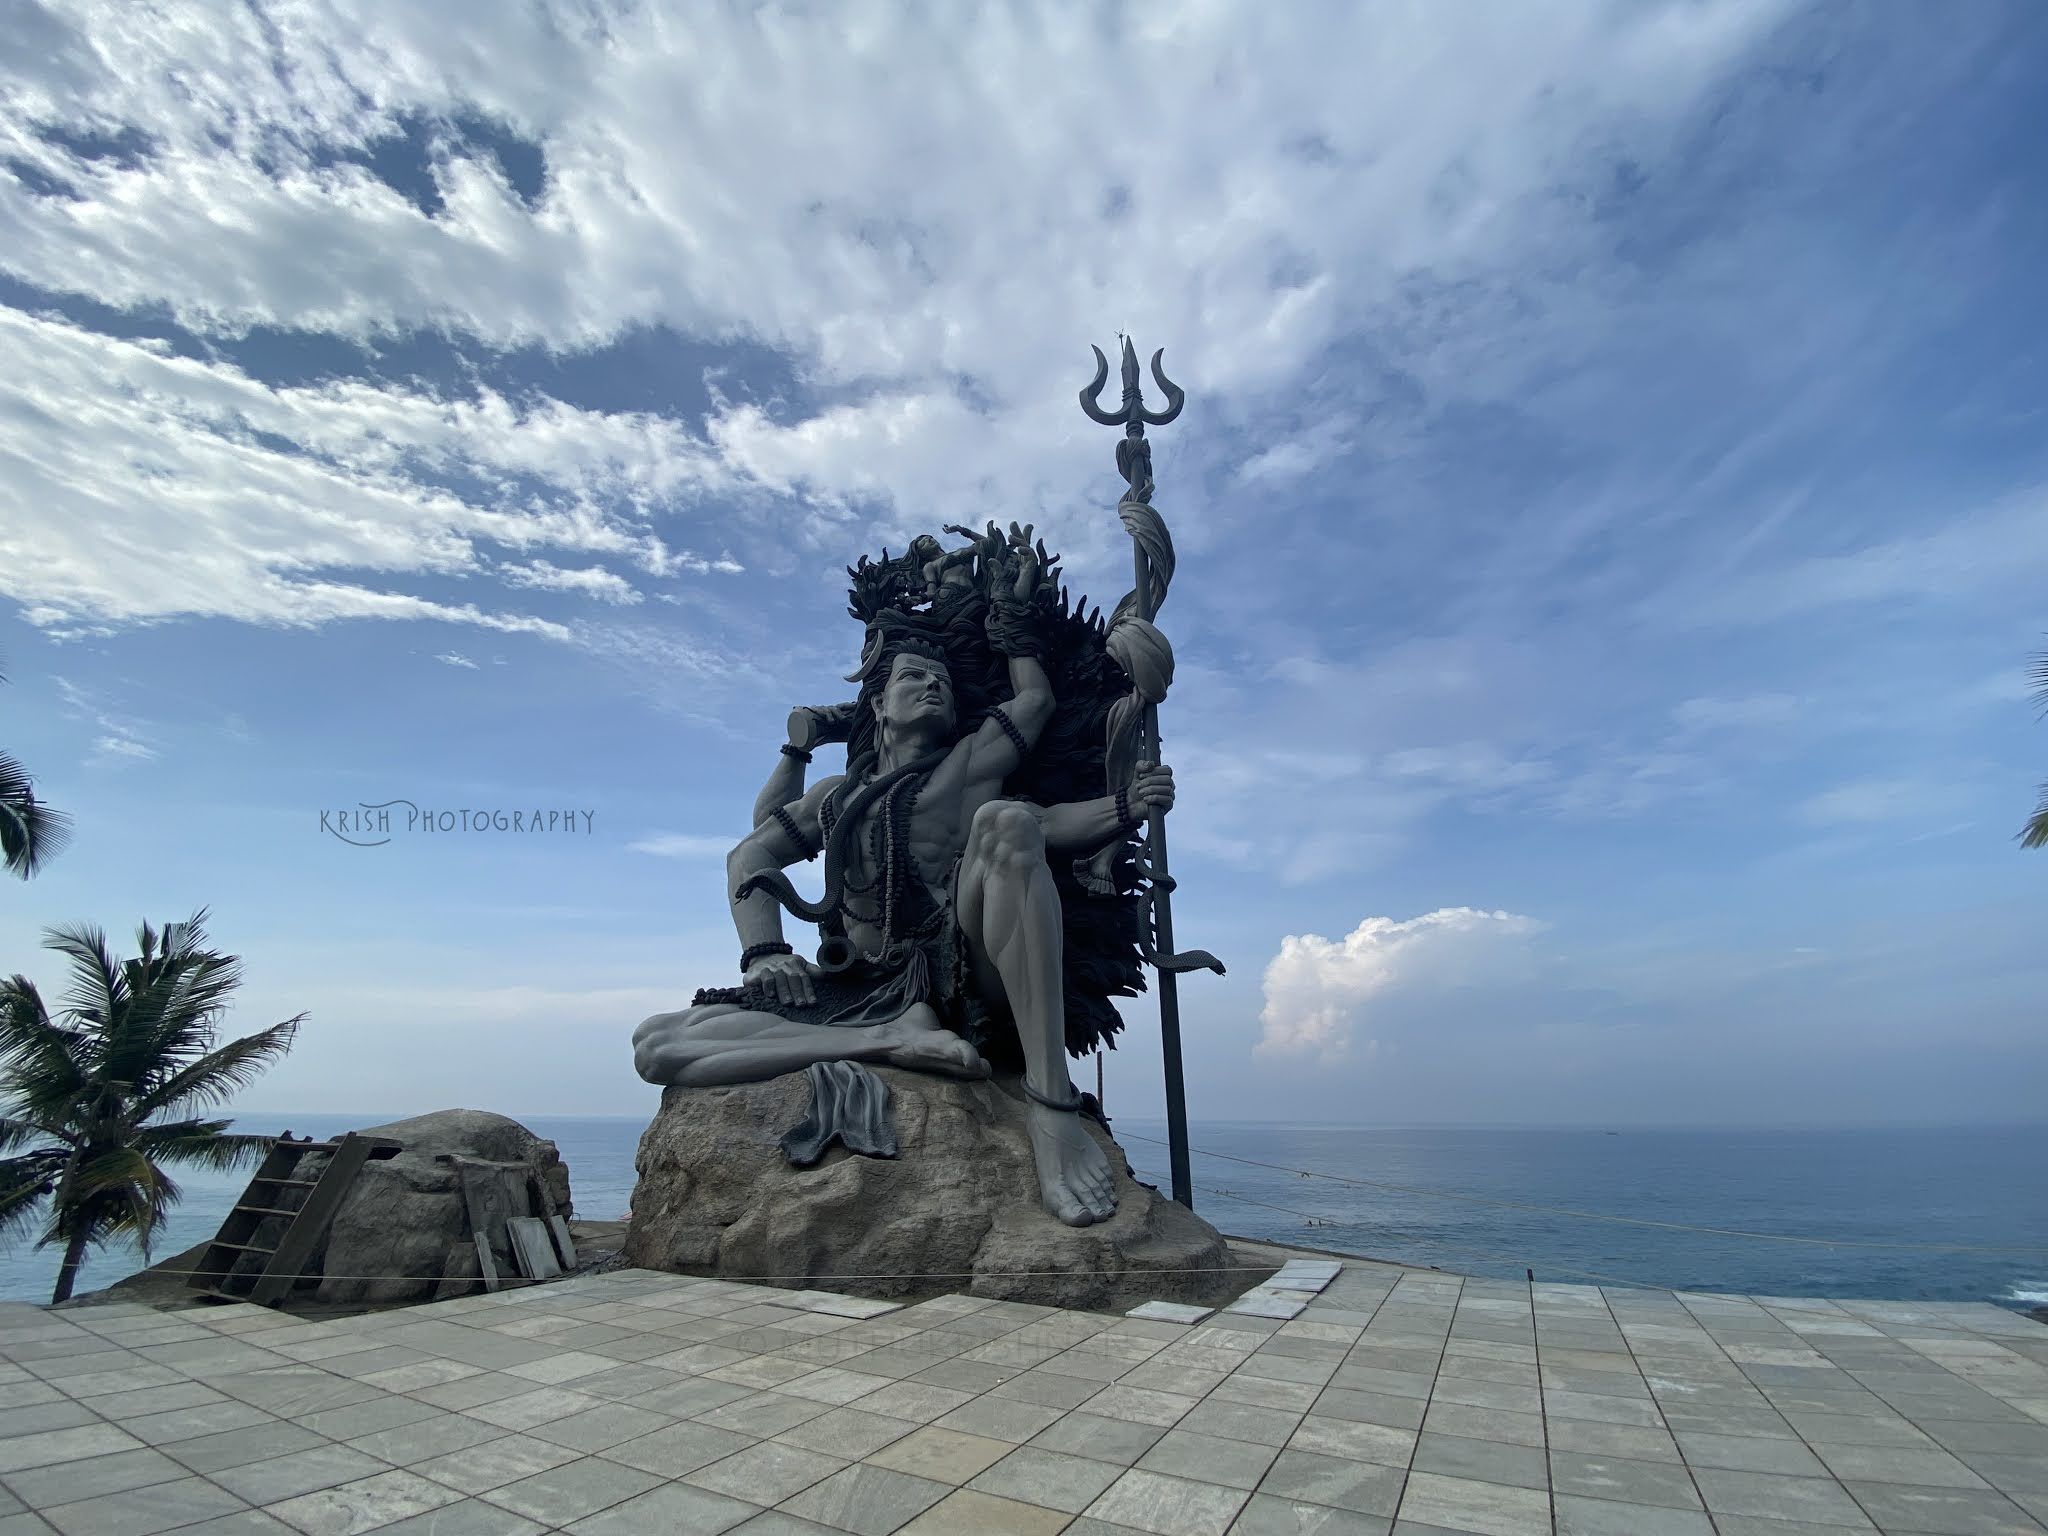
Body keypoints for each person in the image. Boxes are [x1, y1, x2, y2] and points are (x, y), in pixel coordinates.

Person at [634, 525, 1174, 1226]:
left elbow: (1036, 734)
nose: (933, 686)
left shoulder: (972, 762)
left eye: (943, 681)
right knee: (658, 1043)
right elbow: (750, 857)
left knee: (1007, 821)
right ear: (879, 705)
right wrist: (765, 952)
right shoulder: (837, 795)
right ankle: (890, 1042)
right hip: (859, 987)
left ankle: (1050, 1105)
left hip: (955, 968)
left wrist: (1127, 802)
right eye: (915, 677)